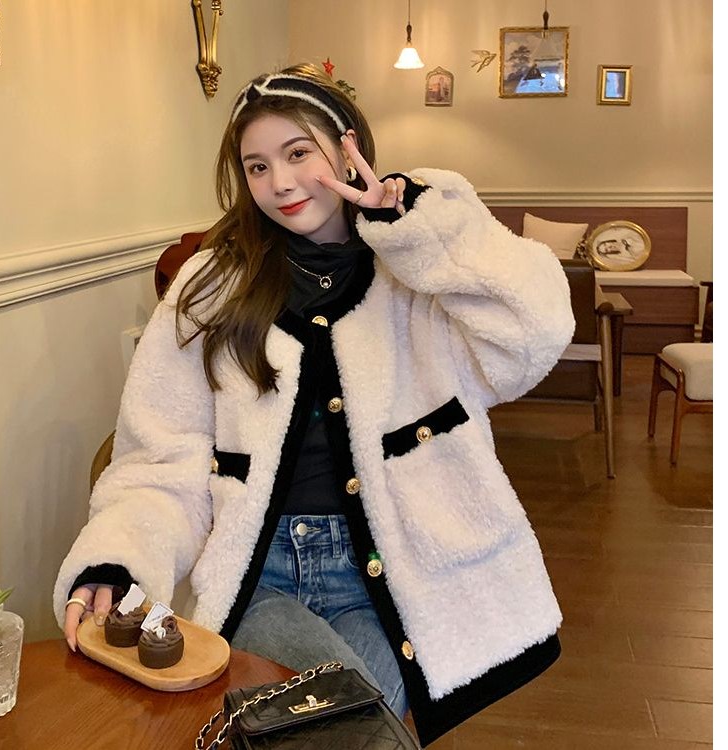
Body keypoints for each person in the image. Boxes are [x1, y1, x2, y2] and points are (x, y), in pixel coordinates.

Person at [53, 63, 574, 747]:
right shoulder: (210, 287)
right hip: (259, 572)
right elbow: (159, 458)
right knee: (358, 733)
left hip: (393, 577)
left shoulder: (415, 270)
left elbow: (536, 336)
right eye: (258, 166)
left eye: (298, 153)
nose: (281, 182)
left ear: (346, 148)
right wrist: (115, 557)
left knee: (341, 733)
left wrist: (417, 227)